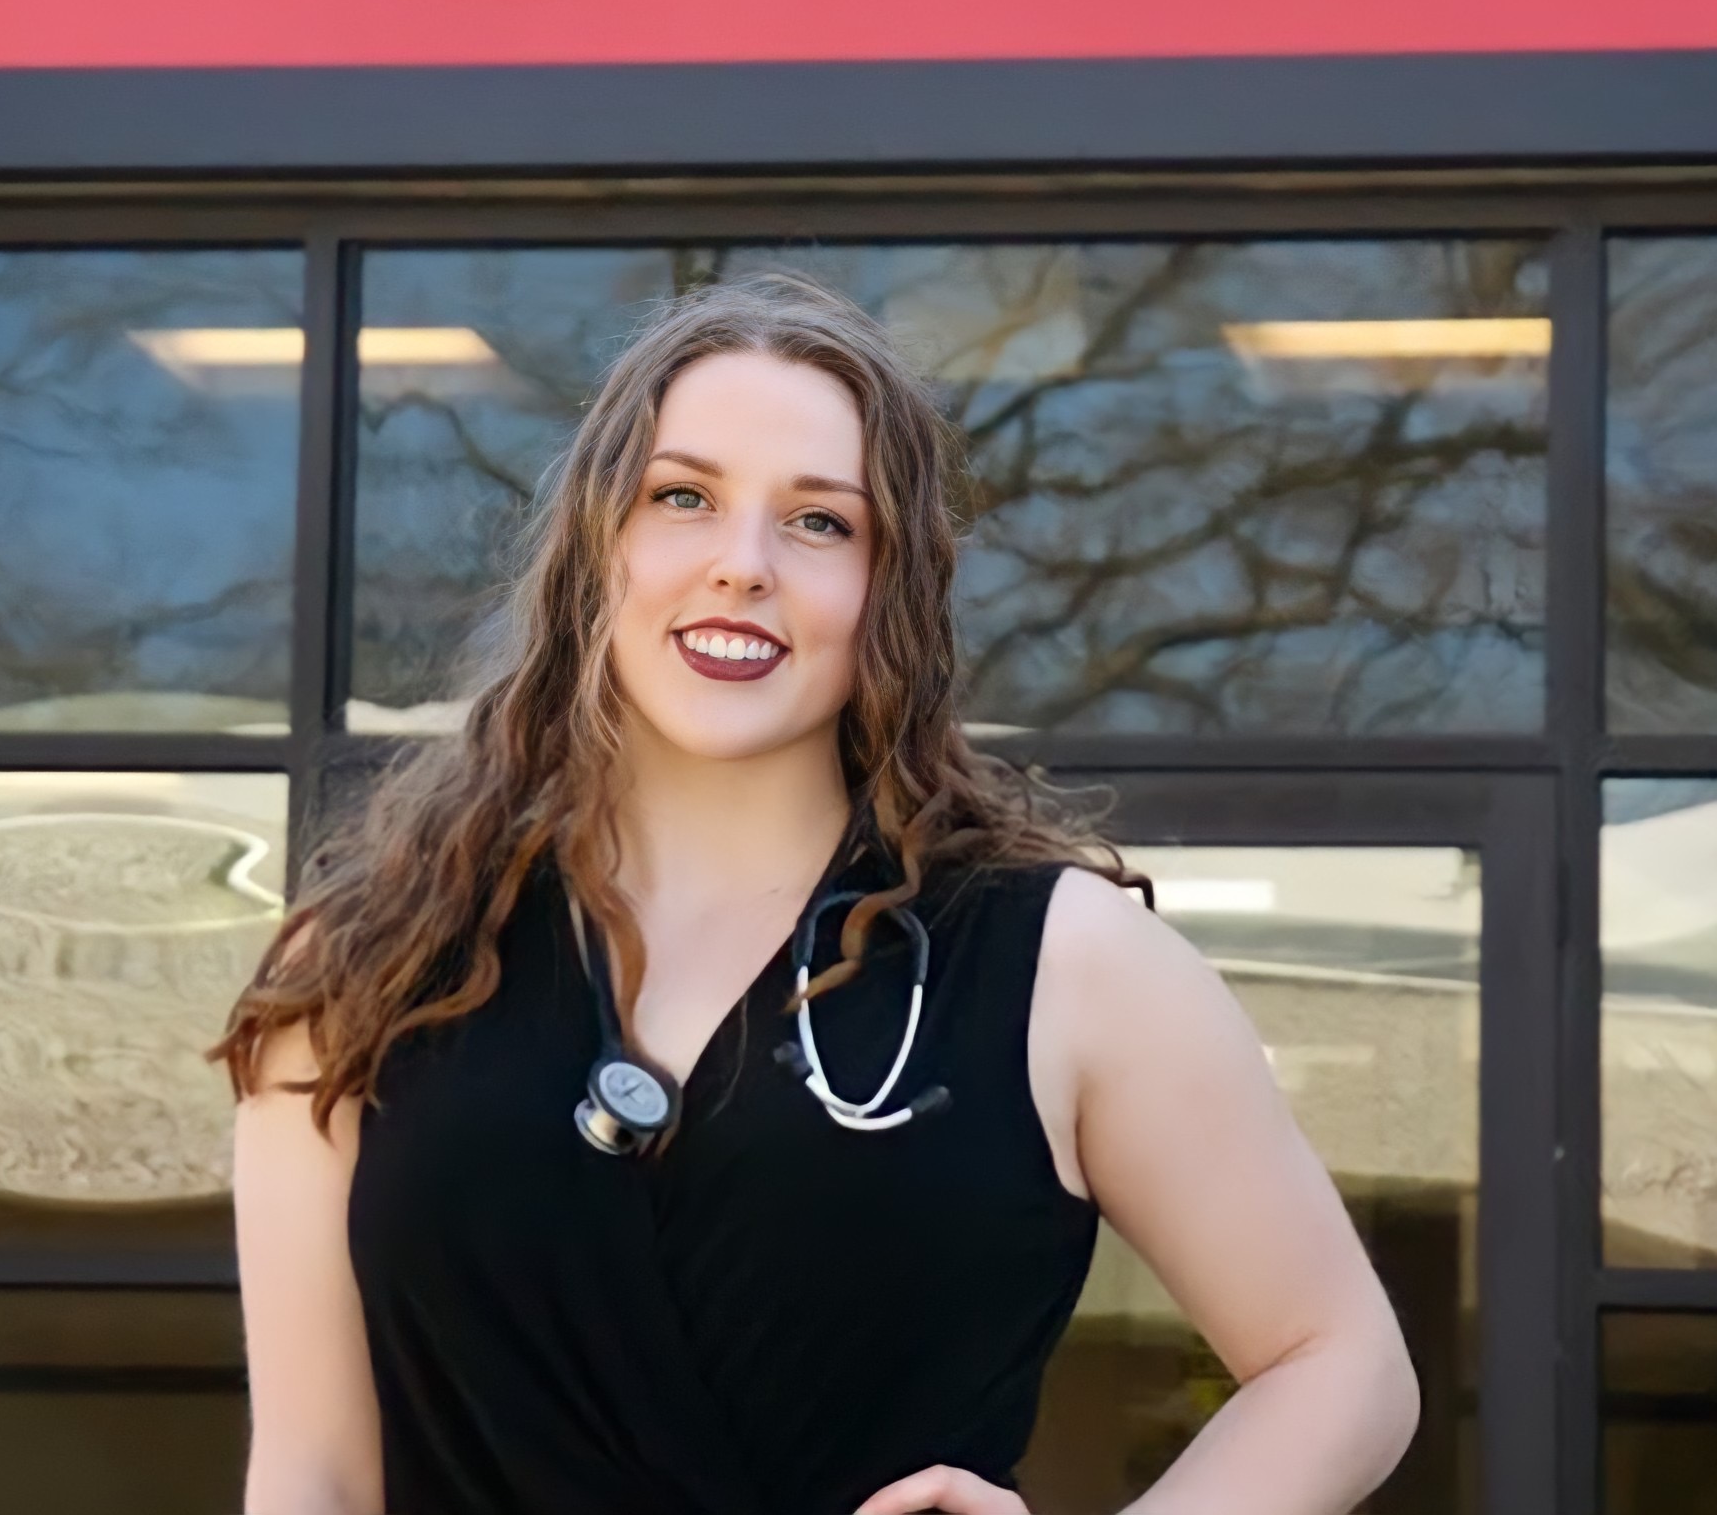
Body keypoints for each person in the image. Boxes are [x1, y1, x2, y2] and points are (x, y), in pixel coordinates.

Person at [220, 274, 1420, 1515]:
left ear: (890, 587)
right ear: (596, 545)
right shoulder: (364, 960)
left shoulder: (1064, 964)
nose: (741, 565)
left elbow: (1342, 1364)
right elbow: (312, 1472)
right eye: (681, 497)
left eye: (819, 522)